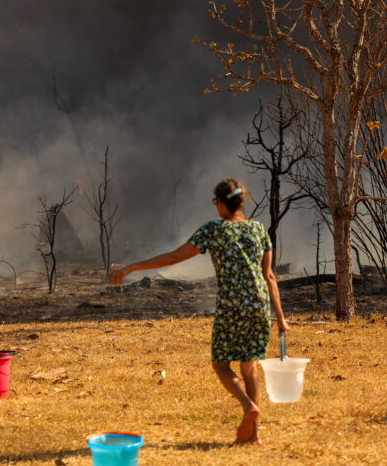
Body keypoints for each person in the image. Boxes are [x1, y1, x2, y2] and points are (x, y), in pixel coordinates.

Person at [108, 178, 289, 445]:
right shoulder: (259, 230)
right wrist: (281, 318)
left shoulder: (213, 230)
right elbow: (270, 276)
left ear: (219, 202)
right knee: (250, 368)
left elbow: (172, 258)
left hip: (232, 306)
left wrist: (132, 267)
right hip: (259, 305)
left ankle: (248, 406)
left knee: (221, 366)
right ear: (242, 201)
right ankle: (253, 437)